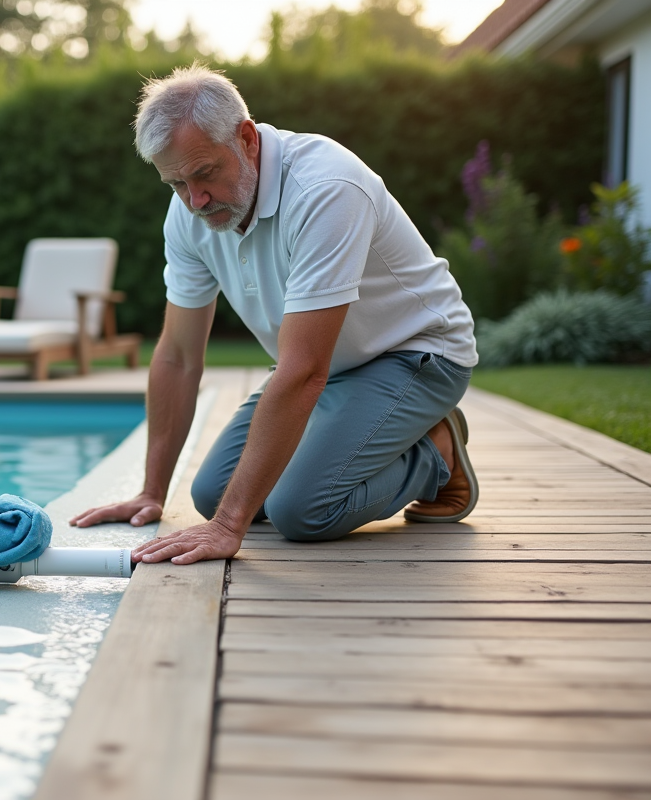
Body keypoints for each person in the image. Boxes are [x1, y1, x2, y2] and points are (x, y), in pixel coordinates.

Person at [69, 63, 479, 565]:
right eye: (175, 183)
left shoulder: (325, 187)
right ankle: (372, 436)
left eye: (204, 174)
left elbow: (304, 370)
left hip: (417, 355)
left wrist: (227, 527)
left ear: (246, 138)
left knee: (301, 511)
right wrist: (151, 492)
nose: (195, 200)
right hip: (325, 368)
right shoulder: (189, 213)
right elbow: (177, 356)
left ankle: (436, 449)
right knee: (210, 493)